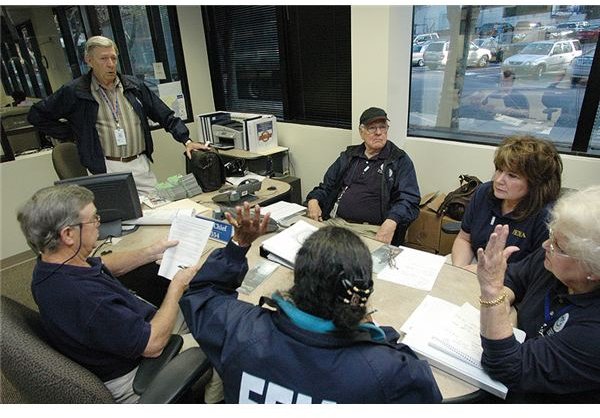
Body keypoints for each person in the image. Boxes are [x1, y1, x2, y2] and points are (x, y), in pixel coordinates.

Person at [180, 203, 442, 403]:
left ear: (297, 279)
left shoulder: (240, 329)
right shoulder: (386, 370)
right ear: (360, 296)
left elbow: (201, 294)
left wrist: (238, 244)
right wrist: (373, 332)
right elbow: (428, 393)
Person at [16, 184, 217, 403]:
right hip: (139, 370)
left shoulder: (52, 264)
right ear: (68, 234)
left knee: (206, 306)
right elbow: (153, 345)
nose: (98, 224)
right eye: (93, 219)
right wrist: (176, 287)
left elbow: (104, 263)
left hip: (131, 332)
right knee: (225, 340)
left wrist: (150, 252)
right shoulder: (85, 297)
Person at [27, 36, 209, 195]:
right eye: (104, 59)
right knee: (121, 218)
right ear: (89, 60)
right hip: (106, 166)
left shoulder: (133, 86)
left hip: (139, 163)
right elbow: (37, 115)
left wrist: (186, 140)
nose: (111, 64)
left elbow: (165, 115)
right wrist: (73, 133)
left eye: (113, 58)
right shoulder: (75, 91)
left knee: (159, 208)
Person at [476, 186, 600, 402]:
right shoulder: (554, 267)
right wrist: (503, 306)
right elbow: (514, 277)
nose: (545, 245)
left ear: (593, 270)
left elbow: (506, 367)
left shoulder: (593, 333)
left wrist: (492, 292)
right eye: (552, 235)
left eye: (558, 245)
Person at [305, 107, 421, 245]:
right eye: (372, 128)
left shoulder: (399, 160)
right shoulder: (349, 156)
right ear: (361, 132)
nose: (378, 133)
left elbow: (409, 199)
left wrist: (392, 220)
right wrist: (313, 200)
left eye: (382, 127)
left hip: (371, 230)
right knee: (303, 249)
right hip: (335, 222)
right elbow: (326, 187)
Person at [451, 135, 562, 272]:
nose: (498, 180)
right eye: (499, 170)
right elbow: (464, 239)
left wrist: (485, 272)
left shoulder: (547, 216)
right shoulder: (484, 192)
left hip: (514, 280)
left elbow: (537, 271)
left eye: (512, 176)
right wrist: (459, 270)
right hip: (473, 264)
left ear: (536, 183)